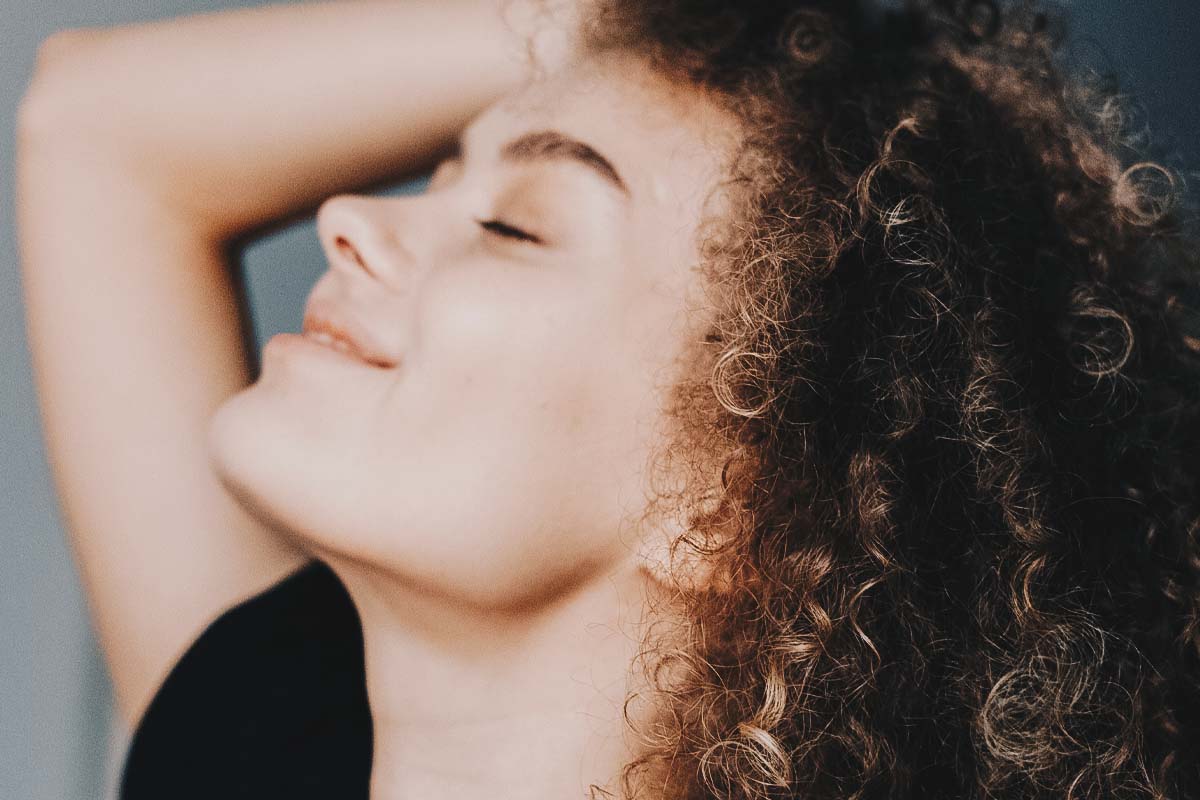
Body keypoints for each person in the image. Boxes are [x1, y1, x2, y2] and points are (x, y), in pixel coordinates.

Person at [15, 0, 1200, 798]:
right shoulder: (268, 729)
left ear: (723, 495)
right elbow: (95, 128)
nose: (346, 217)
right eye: (439, 172)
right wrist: (695, 25)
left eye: (511, 224)